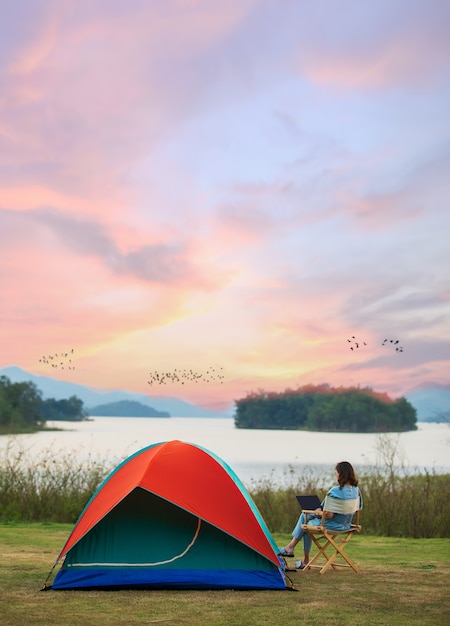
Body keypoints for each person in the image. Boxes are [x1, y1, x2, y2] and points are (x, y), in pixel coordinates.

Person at [278, 461, 362, 569]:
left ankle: (298, 555)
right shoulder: (356, 490)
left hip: (332, 525)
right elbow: (357, 508)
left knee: (306, 520)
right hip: (346, 525)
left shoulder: (335, 491)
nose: (335, 475)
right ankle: (291, 549)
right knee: (306, 518)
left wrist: (318, 512)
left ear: (341, 474)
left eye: (336, 472)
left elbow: (329, 515)